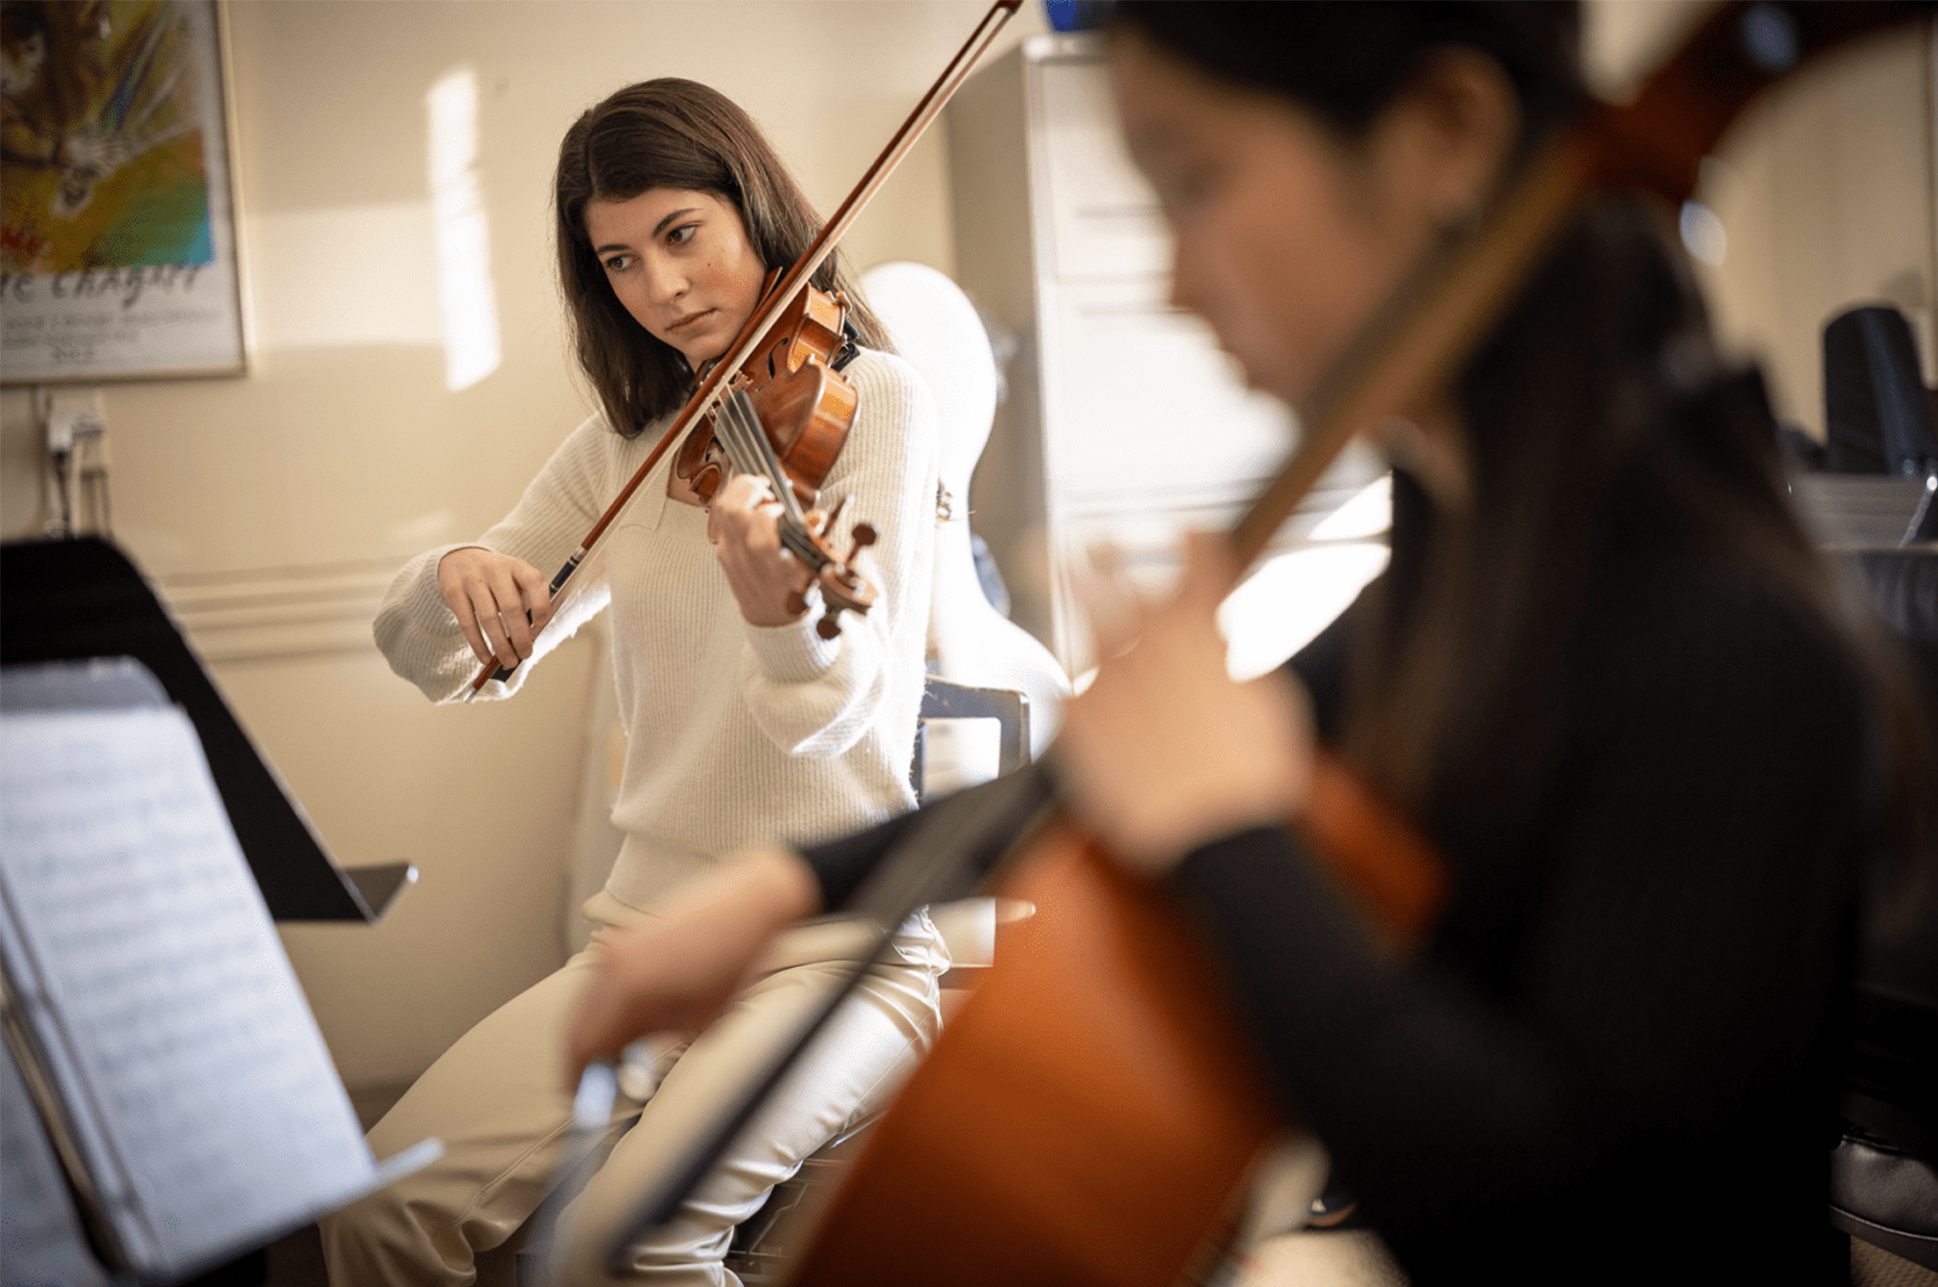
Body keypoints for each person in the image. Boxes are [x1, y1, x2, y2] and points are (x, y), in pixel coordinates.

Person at [564, 4, 1936, 1283]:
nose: (1169, 278)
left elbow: (1580, 1221)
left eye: (1194, 182)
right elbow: (1119, 764)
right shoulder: (1477, 541)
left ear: (1444, 138)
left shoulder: (1717, 626)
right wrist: (785, 888)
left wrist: (1231, 831)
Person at [320, 77, 948, 1287]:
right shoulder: (631, 441)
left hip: (837, 944)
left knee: (633, 1242)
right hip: (645, 935)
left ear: (755, 209)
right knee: (373, 1209)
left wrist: (786, 625)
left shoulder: (875, 400)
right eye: (617, 260)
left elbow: (852, 717)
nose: (658, 289)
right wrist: (450, 575)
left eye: (680, 235)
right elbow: (451, 664)